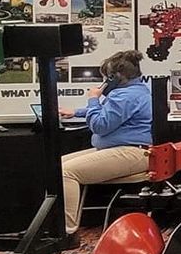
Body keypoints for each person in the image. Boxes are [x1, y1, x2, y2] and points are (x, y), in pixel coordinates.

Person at [59, 50, 153, 234]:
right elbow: (111, 112)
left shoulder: (124, 96)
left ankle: (67, 232)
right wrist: (77, 112)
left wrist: (93, 99)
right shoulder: (137, 91)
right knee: (57, 166)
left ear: (114, 77)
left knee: (65, 173)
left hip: (131, 152)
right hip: (131, 150)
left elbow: (101, 125)